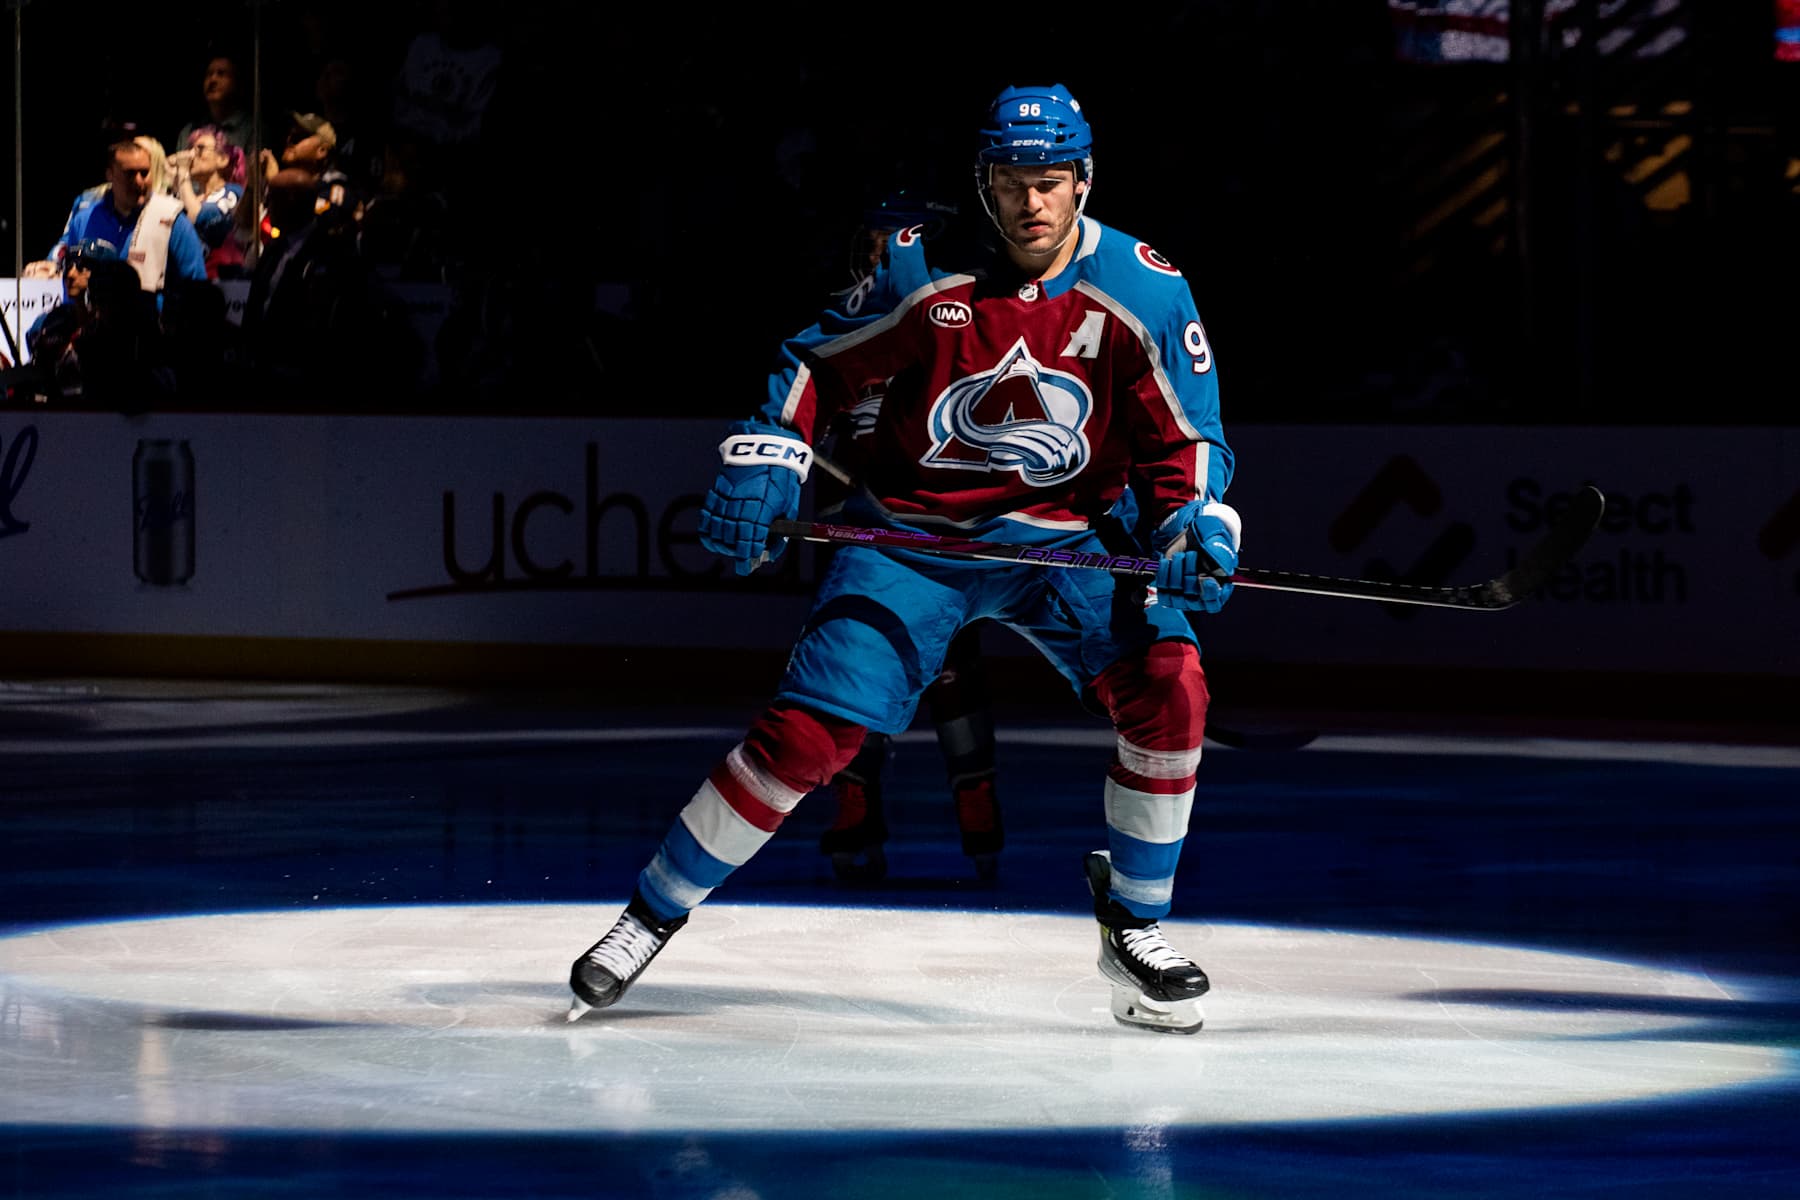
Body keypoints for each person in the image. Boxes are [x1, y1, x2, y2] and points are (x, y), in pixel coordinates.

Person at [566, 83, 1240, 1035]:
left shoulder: (1147, 289)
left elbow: (1186, 441)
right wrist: (771, 453)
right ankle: (649, 915)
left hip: (1072, 544)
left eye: (1050, 181)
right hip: (914, 542)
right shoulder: (920, 270)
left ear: (1084, 179)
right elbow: (814, 363)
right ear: (983, 182)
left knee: (1173, 690)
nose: (1032, 203)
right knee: (807, 739)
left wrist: (1192, 526)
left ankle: (1134, 924)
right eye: (1011, 182)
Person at [34, 140, 208, 300]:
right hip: (96, 321)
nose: (139, 181)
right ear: (110, 174)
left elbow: (197, 287)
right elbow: (70, 282)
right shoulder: (84, 220)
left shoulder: (172, 219)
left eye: (144, 173)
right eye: (129, 174)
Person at [169, 125, 248, 279]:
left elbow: (198, 217)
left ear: (222, 159)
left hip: (216, 283)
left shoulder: (233, 192)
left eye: (200, 149)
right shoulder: (193, 197)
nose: (191, 155)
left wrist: (183, 171)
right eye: (190, 148)